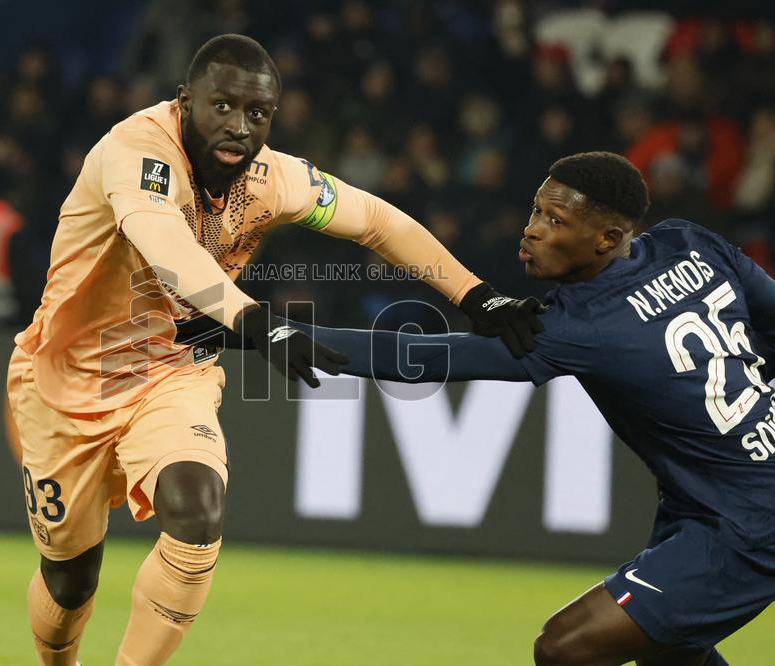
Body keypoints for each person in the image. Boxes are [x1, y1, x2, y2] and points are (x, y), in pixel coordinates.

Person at [7, 34, 543, 666]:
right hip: (65, 380)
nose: (240, 127)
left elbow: (377, 219)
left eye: (257, 114)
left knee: (197, 509)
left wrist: (474, 295)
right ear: (185, 102)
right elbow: (167, 248)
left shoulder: (273, 178)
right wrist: (256, 322)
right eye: (223, 107)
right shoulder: (136, 152)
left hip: (171, 371)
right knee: (72, 579)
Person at [258, 152, 773, 666]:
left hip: (747, 519)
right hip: (708, 501)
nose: (531, 231)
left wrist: (252, 326)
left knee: (564, 647)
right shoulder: (692, 243)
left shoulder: (581, 326)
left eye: (555, 221)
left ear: (609, 240)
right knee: (669, 652)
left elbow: (424, 358)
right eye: (536, 211)